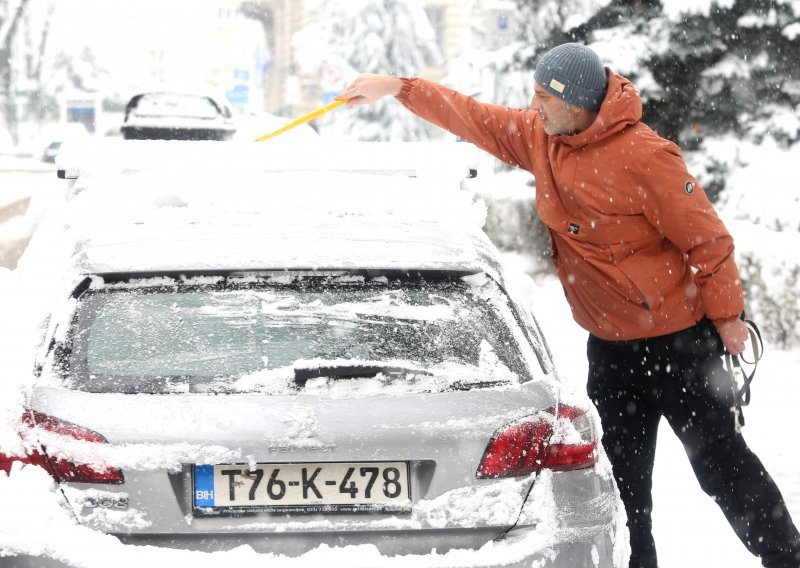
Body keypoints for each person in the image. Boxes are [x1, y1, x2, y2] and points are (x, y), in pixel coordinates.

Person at [336, 43, 800, 568]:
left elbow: (708, 241)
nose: (533, 107)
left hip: (678, 347)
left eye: (542, 97)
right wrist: (400, 88)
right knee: (623, 488)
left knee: (721, 466)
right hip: (611, 350)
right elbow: (474, 117)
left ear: (577, 102)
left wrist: (729, 318)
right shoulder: (542, 138)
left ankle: (787, 556)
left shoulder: (647, 156)